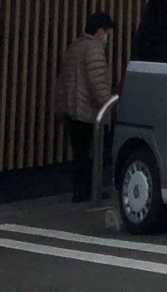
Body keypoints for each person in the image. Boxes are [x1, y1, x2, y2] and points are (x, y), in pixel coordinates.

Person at [56, 11, 116, 202]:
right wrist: (107, 105)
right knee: (95, 153)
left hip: (71, 110)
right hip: (88, 111)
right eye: (106, 32)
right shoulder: (93, 49)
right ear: (100, 31)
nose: (107, 37)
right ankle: (93, 190)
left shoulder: (75, 47)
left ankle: (80, 191)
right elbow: (97, 81)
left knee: (80, 154)